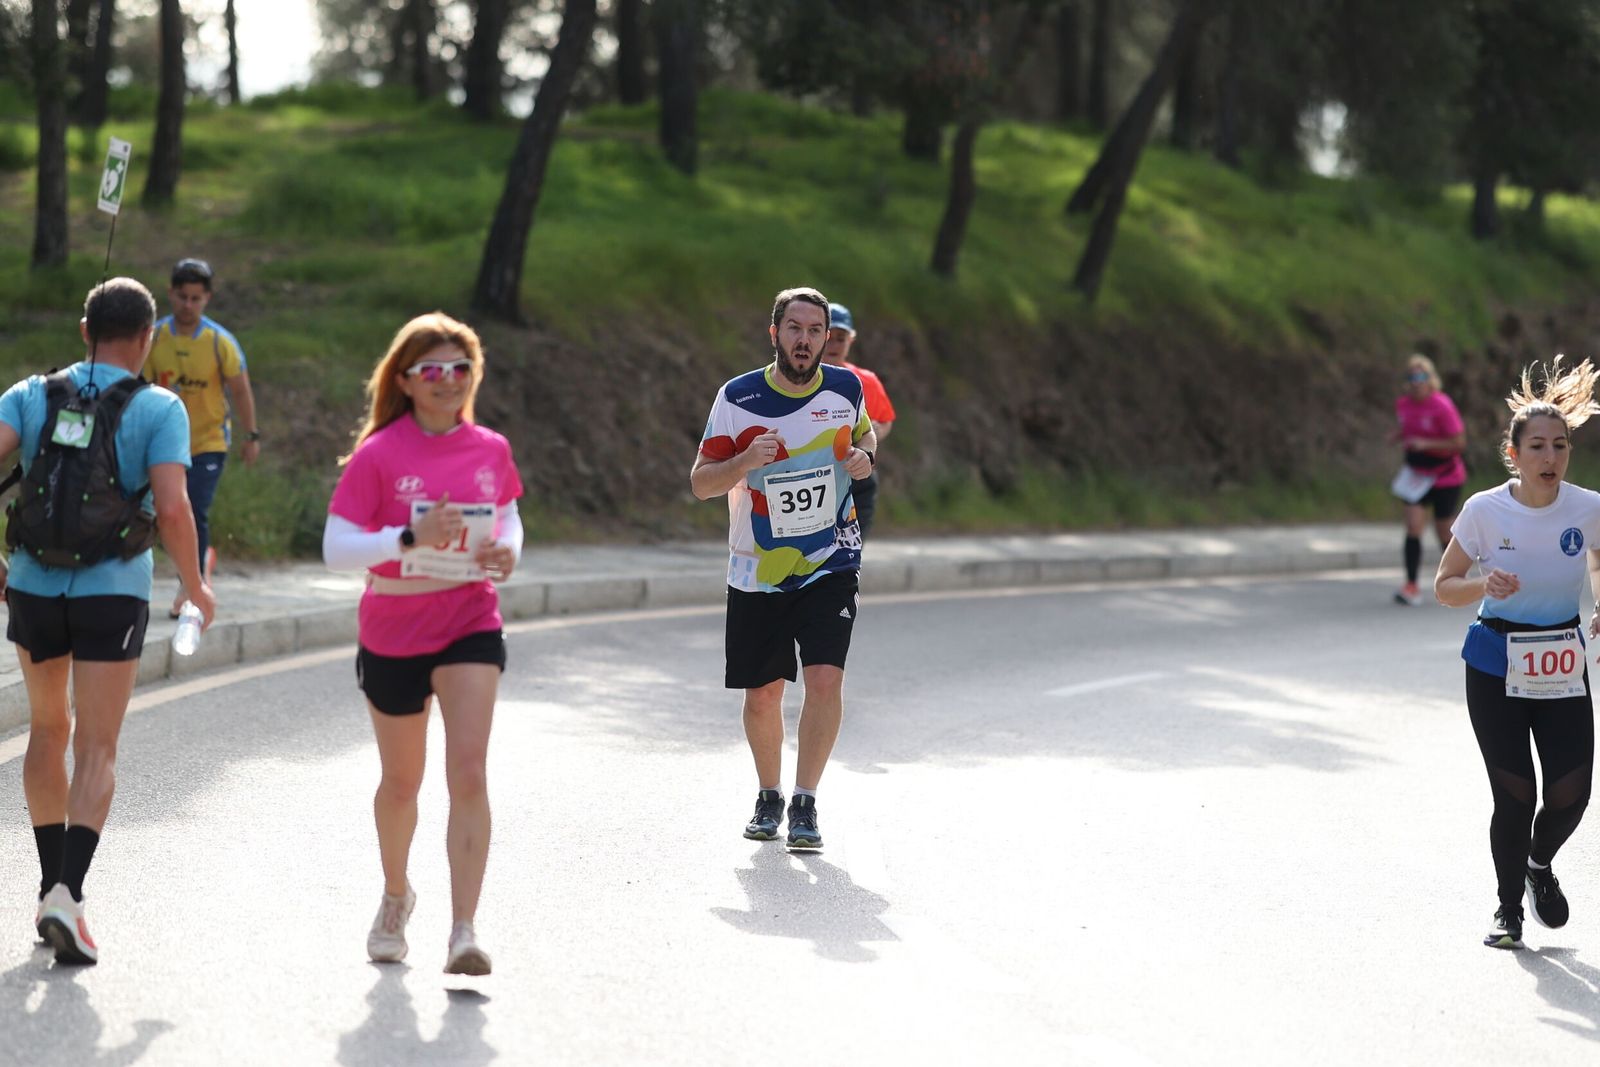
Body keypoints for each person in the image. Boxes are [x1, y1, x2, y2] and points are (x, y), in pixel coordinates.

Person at [0, 278, 215, 965]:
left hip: (32, 585)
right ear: (148, 336)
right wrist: (195, 586)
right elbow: (173, 508)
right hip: (112, 591)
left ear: (83, 329)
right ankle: (67, 893)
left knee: (48, 729)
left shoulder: (29, 394)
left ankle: (49, 887)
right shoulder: (160, 407)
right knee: (97, 746)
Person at [322, 312, 523, 975]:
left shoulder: (490, 448)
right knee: (402, 782)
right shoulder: (379, 454)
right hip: (394, 625)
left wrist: (507, 551)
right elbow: (335, 548)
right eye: (432, 369)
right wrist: (407, 539)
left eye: (460, 368)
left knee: (469, 770)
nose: (448, 379)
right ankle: (395, 895)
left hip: (469, 616)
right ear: (405, 380)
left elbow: (509, 517)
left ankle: (464, 930)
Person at [691, 287, 876, 850]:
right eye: (794, 329)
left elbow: (865, 435)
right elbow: (701, 483)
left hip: (830, 557)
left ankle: (805, 802)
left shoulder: (846, 388)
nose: (804, 340)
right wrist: (746, 460)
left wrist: (864, 458)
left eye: (815, 331)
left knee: (825, 677)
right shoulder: (738, 397)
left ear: (827, 338)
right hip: (759, 566)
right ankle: (768, 793)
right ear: (775, 334)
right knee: (764, 692)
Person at [1434, 357, 1600, 950]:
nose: (1550, 457)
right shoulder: (1484, 510)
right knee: (1515, 795)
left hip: (1561, 661)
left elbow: (1598, 563)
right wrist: (1485, 583)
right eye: (1537, 446)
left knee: (1572, 793)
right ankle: (1508, 911)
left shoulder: (1588, 508)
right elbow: (1444, 586)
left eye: (1560, 445)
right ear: (1514, 453)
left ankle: (1538, 863)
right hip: (1495, 662)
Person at [143, 257, 261, 618]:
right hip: (163, 444)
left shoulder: (219, 342)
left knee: (193, 508)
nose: (188, 305)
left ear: (207, 298)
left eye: (196, 298)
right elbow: (138, 387)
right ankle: (192, 568)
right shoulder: (154, 337)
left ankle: (189, 586)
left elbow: (240, 390)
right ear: (170, 294)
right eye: (182, 297)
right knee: (158, 512)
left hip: (208, 442)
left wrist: (251, 434)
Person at [1390, 353, 1466, 605]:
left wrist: (1426, 444)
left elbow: (1459, 443)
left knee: (1444, 530)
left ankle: (1455, 581)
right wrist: (1397, 436)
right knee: (1413, 526)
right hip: (1415, 475)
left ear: (1430, 379)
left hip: (1445, 475)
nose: (1416, 382)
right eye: (1411, 377)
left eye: (1421, 376)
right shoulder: (1403, 404)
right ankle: (1411, 586)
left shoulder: (1442, 405)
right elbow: (1408, 427)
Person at [822, 303, 896, 540]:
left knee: (852, 550)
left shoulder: (866, 380)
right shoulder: (798, 381)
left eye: (841, 339)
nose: (834, 345)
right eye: (829, 338)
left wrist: (874, 434)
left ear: (851, 341)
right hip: (816, 478)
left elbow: (886, 420)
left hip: (857, 476)